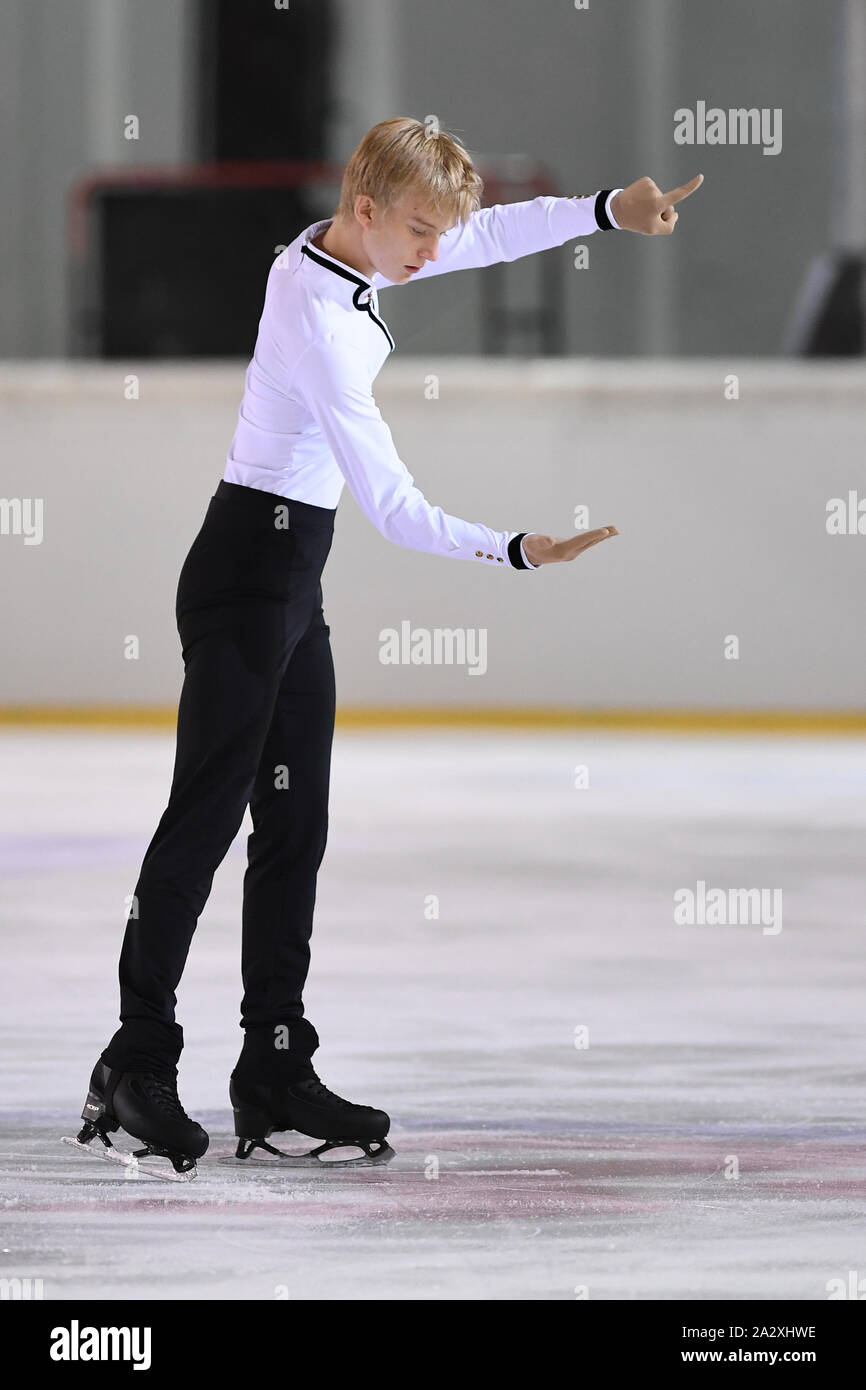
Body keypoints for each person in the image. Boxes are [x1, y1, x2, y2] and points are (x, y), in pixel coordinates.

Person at [67, 117, 703, 1178]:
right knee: (207, 817)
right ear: (364, 209)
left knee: (293, 827)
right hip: (242, 578)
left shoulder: (360, 243)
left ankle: (272, 1068)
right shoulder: (317, 312)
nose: (431, 252)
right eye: (417, 232)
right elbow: (395, 507)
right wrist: (514, 549)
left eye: (432, 234)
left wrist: (602, 210)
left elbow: (485, 231)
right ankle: (135, 1060)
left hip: (287, 579)